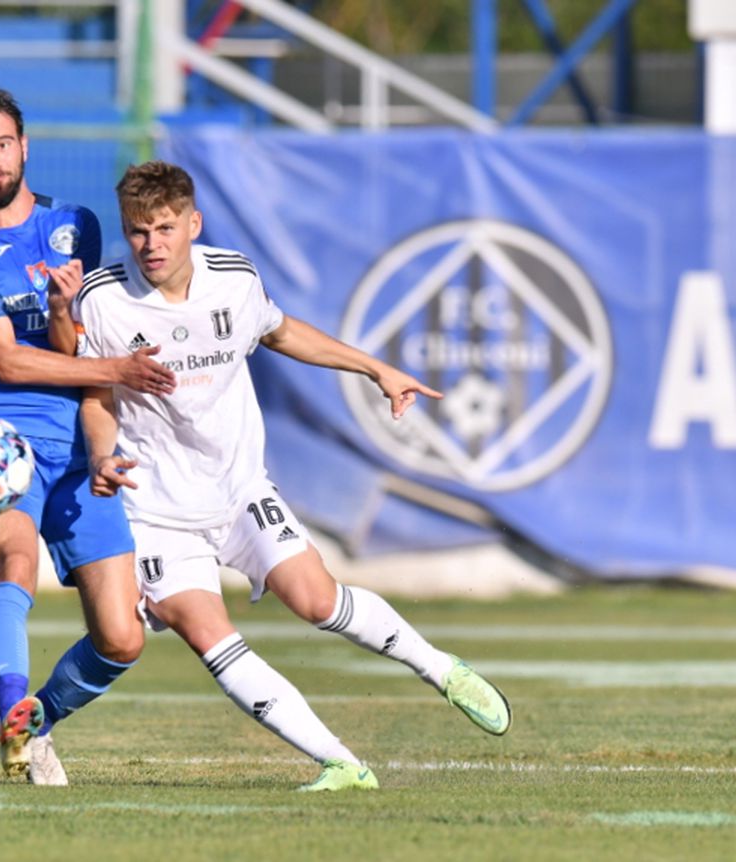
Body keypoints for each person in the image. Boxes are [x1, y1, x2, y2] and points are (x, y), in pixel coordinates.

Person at [68, 161, 512, 792]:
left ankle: (441, 668)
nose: (152, 245)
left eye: (165, 228)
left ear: (193, 224)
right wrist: (102, 455)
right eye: (138, 231)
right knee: (206, 631)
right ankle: (342, 764)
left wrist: (374, 368)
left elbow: (279, 332)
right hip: (159, 510)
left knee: (317, 600)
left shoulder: (234, 279)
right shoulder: (104, 300)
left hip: (241, 487)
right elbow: (95, 395)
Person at [0, 84, 177, 785]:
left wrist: (71, 316)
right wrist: (115, 366)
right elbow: (4, 358)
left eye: (3, 143)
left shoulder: (77, 225)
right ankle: (10, 710)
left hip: (80, 439)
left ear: (25, 146)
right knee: (13, 567)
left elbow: (73, 343)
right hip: (0, 441)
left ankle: (38, 722)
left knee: (122, 638)